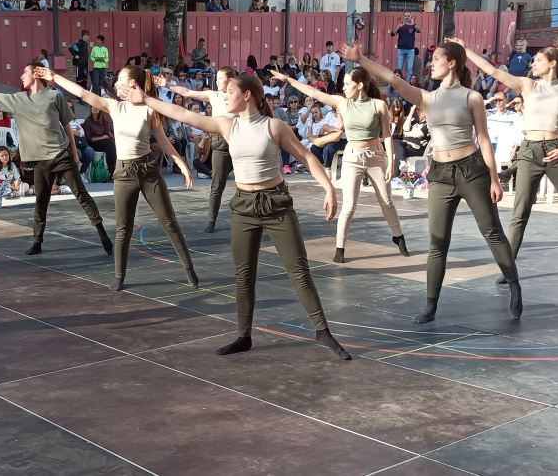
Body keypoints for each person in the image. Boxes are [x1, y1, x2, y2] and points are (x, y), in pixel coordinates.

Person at [118, 73, 349, 359]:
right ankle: (244, 336)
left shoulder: (273, 126)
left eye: (229, 91)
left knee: (298, 270)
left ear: (248, 95)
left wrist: (329, 188)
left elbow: (307, 156)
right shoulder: (227, 125)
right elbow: (181, 113)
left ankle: (322, 331)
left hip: (276, 203)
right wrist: (147, 99)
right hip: (244, 205)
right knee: (244, 275)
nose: (223, 96)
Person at [337, 39, 522, 324]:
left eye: (436, 58)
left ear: (452, 63)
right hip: (442, 175)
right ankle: (430, 305)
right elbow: (392, 79)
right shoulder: (428, 97)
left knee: (492, 232)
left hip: (472, 171)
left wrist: (495, 179)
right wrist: (360, 59)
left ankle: (513, 286)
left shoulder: (471, 97)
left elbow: (484, 140)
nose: (431, 62)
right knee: (437, 242)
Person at [455, 39, 558, 284]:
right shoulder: (528, 85)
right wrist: (466, 49)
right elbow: (493, 71)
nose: (533, 63)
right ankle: (508, 268)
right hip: (530, 152)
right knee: (520, 213)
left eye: (538, 60)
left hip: (556, 151)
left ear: (552, 63)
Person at [37, 64, 198, 290]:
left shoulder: (150, 109)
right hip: (124, 172)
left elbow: (162, 140)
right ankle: (119, 276)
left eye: (119, 79)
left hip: (148, 170)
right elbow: (83, 93)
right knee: (124, 227)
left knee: (169, 221)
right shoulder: (114, 106)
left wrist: (181, 164)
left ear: (133, 83)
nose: (115, 83)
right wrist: (54, 77)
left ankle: (189, 269)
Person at [0, 63, 113, 256]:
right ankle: (37, 241)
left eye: (24, 72)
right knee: (41, 202)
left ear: (36, 74)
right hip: (40, 161)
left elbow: (67, 126)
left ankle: (102, 234)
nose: (21, 76)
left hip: (61, 155)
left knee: (81, 194)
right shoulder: (19, 99)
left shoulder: (55, 96)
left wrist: (74, 151)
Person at [274, 67, 407, 262]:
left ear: (360, 85)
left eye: (347, 84)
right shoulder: (343, 103)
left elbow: (386, 135)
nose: (343, 87)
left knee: (386, 201)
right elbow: (312, 92)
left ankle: (398, 236)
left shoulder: (378, 105)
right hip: (353, 157)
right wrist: (287, 79)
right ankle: (340, 248)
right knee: (349, 206)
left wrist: (391, 162)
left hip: (376, 156)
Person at [158, 66, 237, 232]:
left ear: (230, 80)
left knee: (248, 183)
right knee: (217, 184)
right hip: (221, 143)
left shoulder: (240, 96)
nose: (216, 81)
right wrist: (168, 85)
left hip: (240, 141)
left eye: (220, 78)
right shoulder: (213, 95)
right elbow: (187, 93)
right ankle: (212, 220)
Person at [82, 106, 117, 177]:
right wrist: (101, 137)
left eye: (96, 107)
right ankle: (112, 171)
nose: (95, 108)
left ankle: (111, 172)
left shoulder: (103, 120)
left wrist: (103, 138)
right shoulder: (88, 121)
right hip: (93, 143)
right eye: (93, 107)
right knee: (109, 143)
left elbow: (107, 134)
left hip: (104, 143)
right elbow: (88, 138)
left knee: (109, 147)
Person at [390, 12, 421, 82]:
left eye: (408, 16)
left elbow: (419, 30)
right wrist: (398, 26)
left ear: (411, 16)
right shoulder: (401, 26)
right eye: (406, 16)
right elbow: (392, 33)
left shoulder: (413, 26)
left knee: (409, 69)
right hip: (401, 50)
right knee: (399, 68)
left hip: (410, 50)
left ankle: (407, 84)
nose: (407, 17)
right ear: (403, 16)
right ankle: (398, 83)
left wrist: (414, 24)